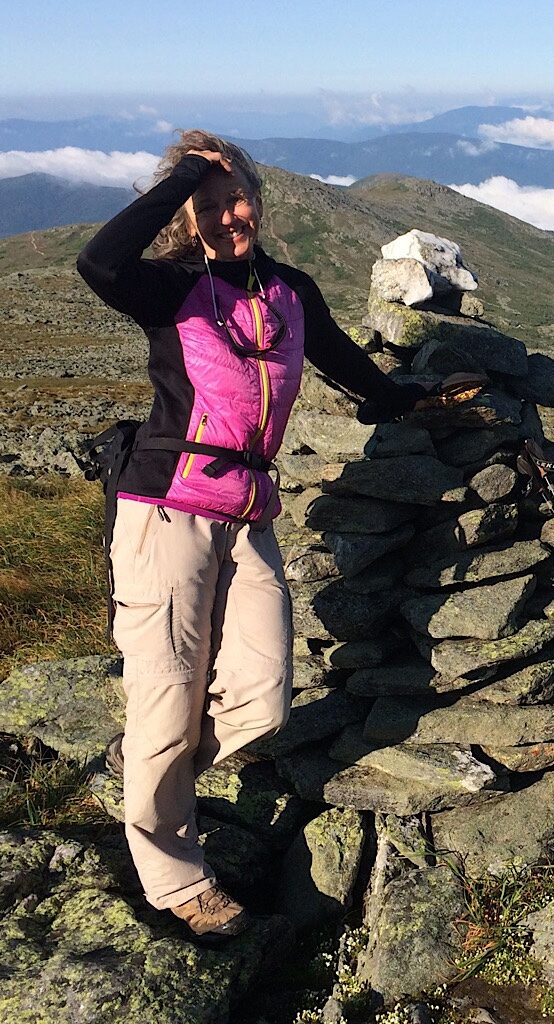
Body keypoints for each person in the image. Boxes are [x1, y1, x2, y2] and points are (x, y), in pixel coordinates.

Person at [77, 129, 424, 940]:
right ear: (186, 215)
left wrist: (416, 398)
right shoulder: (167, 286)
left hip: (247, 517)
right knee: (168, 697)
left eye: (240, 198)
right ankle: (178, 879)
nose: (232, 216)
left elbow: (348, 366)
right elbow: (99, 263)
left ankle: (148, 773)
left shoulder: (289, 290)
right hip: (166, 509)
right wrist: (189, 175)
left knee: (263, 701)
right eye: (211, 204)